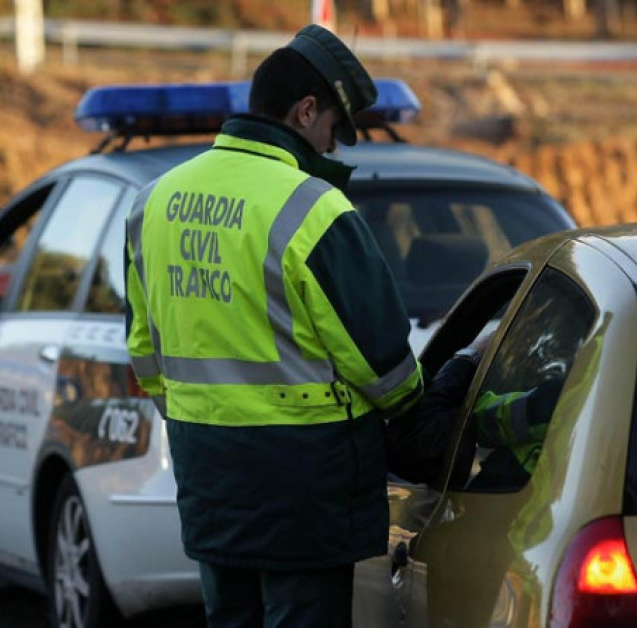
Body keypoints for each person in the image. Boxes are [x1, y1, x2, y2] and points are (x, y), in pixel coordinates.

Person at [125, 24, 424, 628]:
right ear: (306, 109)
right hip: (304, 483)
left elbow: (142, 348)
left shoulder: (153, 200)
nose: (335, 147)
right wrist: (424, 411)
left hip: (206, 469)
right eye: (334, 127)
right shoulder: (313, 208)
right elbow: (388, 373)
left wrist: (196, 416)